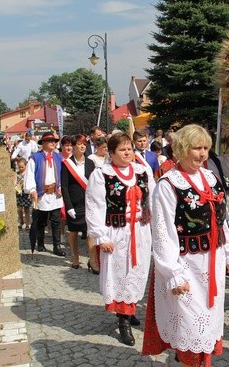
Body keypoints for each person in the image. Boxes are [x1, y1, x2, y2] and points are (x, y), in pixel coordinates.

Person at [142, 124, 229, 366]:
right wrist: (173, 273)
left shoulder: (211, 178)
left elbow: (222, 219)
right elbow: (162, 232)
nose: (202, 154)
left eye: (205, 148)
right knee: (190, 325)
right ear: (182, 149)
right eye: (197, 148)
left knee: (207, 321)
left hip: (212, 264)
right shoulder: (168, 185)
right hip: (186, 264)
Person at [85, 132, 155, 346]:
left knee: (137, 271)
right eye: (122, 150)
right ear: (112, 153)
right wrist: (101, 236)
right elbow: (95, 206)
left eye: (130, 149)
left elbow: (154, 199)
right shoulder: (101, 175)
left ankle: (130, 306)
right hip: (117, 232)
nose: (128, 153)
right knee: (120, 273)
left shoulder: (143, 172)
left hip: (140, 231)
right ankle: (123, 319)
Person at [24, 132, 66, 257]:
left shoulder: (59, 157)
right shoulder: (35, 158)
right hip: (42, 193)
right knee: (41, 220)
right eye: (50, 141)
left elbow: (63, 174)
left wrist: (60, 187)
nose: (53, 143)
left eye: (55, 141)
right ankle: (40, 243)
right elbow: (30, 175)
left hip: (55, 194)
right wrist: (32, 189)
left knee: (55, 221)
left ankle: (57, 246)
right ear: (43, 143)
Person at [61, 134, 99, 272]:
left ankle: (93, 260)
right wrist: (68, 206)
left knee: (90, 231)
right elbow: (64, 186)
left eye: (84, 144)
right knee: (73, 231)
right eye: (79, 144)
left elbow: (94, 183)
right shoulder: (66, 164)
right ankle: (75, 256)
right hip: (74, 203)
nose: (82, 146)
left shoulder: (90, 163)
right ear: (73, 146)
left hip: (88, 202)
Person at [15, 158, 32, 230]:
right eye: (19, 167)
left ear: (26, 166)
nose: (21, 168)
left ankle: (28, 223)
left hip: (26, 193)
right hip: (19, 193)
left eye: (22, 167)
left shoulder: (28, 174)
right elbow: (15, 182)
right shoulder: (17, 174)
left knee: (27, 209)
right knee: (19, 208)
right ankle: (21, 221)